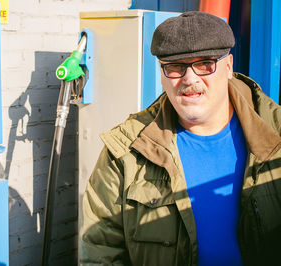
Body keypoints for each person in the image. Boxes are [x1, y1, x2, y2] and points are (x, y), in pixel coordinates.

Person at [80, 11, 281, 266]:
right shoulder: (125, 151)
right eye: (175, 67)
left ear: (228, 67)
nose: (189, 79)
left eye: (205, 64)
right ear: (162, 74)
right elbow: (99, 250)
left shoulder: (276, 136)